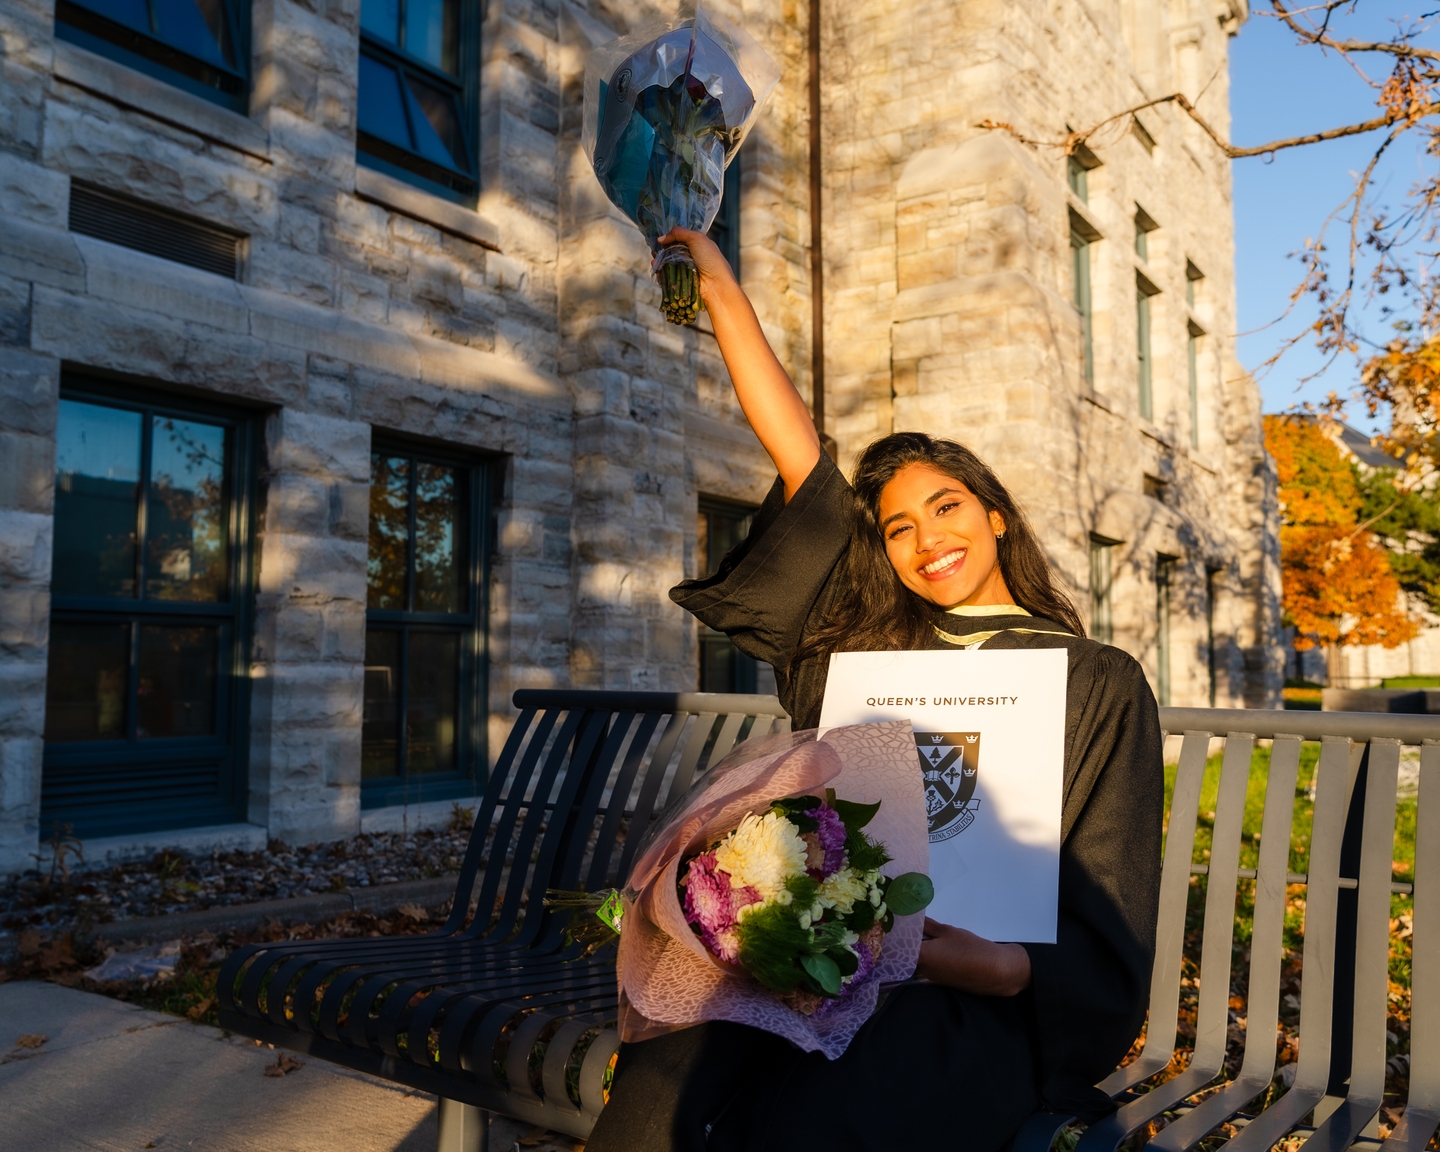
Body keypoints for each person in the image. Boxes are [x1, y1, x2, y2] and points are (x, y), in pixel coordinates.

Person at [583, 228, 1164, 1152]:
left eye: (946, 507)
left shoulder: (1093, 683)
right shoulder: (869, 661)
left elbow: (1110, 894)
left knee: (834, 1112)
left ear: (996, 517)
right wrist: (723, 293)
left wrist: (1004, 969)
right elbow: (802, 465)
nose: (928, 540)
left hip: (968, 999)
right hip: (815, 959)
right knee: (666, 1083)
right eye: (897, 529)